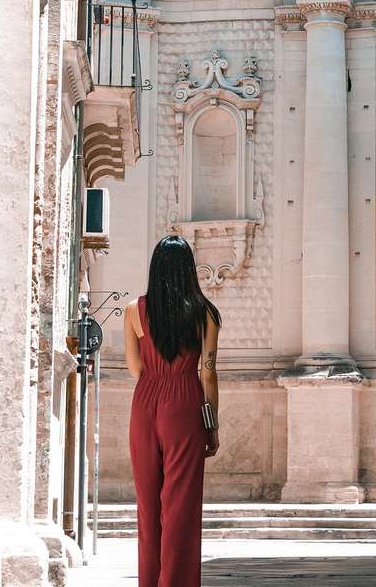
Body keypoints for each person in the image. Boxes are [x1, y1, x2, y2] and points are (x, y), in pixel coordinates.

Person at [124, 235, 221, 587]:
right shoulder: (205, 313)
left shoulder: (135, 310)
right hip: (185, 403)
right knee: (180, 503)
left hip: (146, 402)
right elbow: (208, 372)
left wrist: (156, 378)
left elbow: (134, 368)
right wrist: (211, 424)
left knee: (148, 505)